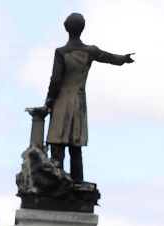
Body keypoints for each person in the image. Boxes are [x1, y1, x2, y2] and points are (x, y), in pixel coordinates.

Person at [44, 12, 134, 182]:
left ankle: (57, 184)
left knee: (57, 146)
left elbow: (55, 81)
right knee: (75, 148)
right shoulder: (90, 51)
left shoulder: (61, 52)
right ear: (82, 29)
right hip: (78, 103)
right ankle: (77, 184)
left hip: (61, 102)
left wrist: (48, 103)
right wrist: (124, 59)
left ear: (66, 28)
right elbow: (110, 58)